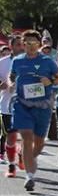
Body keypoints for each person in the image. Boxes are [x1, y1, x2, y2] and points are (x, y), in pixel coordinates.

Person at [9, 30, 58, 191]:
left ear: (39, 45)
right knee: (26, 136)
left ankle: (27, 157)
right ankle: (29, 176)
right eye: (28, 43)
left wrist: (50, 80)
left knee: (39, 143)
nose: (31, 47)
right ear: (23, 44)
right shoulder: (17, 61)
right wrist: (12, 83)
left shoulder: (47, 61)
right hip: (22, 104)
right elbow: (12, 76)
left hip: (42, 106)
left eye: (34, 43)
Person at [0, 36, 24, 177]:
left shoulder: (30, 62)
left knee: (27, 135)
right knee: (11, 136)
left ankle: (21, 153)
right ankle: (11, 165)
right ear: (11, 46)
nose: (20, 47)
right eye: (18, 45)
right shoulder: (2, 63)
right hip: (7, 105)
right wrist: (4, 85)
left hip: (27, 104)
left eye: (22, 44)